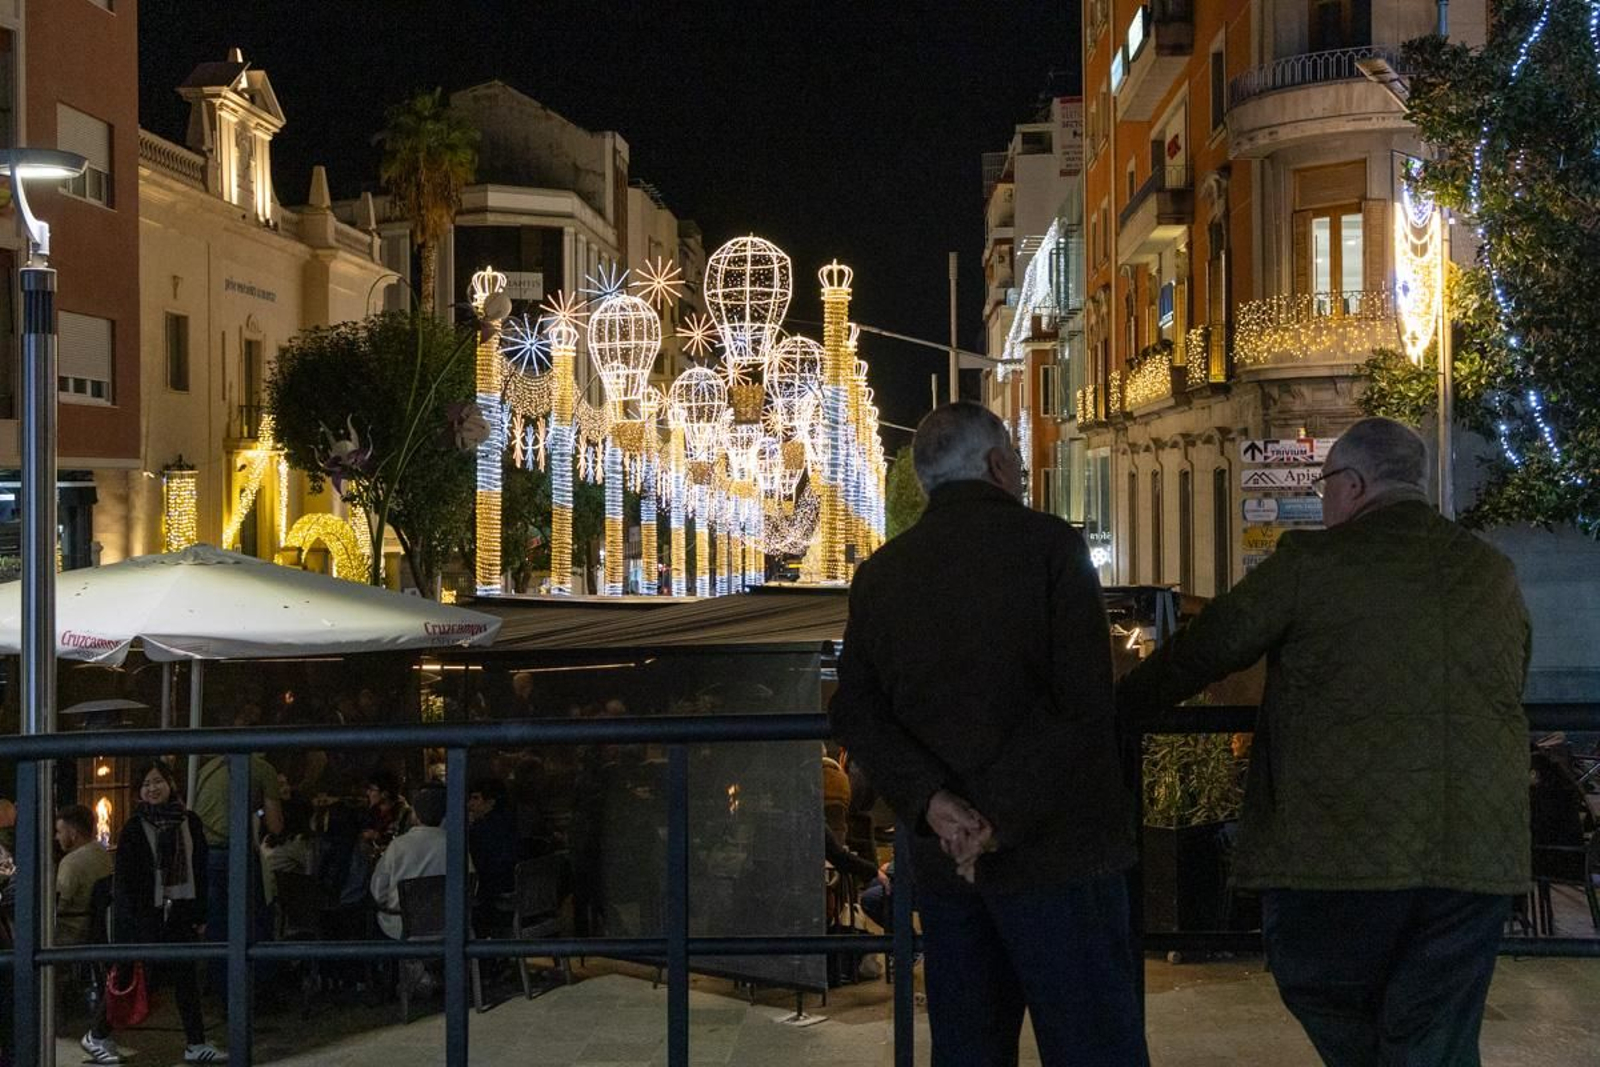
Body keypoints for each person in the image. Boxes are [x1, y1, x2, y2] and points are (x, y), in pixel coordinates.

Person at [1118, 417, 1532, 1067]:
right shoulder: (1492, 570)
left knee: (1322, 983)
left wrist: (1117, 709)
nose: (1322, 498)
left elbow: (1206, 648)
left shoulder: (1312, 563)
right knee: (1437, 1029)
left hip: (1342, 851)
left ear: (1355, 483)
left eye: (1325, 485)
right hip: (1478, 854)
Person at [829, 402, 1147, 1066]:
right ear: (999, 464)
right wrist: (992, 820)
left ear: (924, 484)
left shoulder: (883, 573)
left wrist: (939, 807)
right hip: (1062, 858)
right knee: (1094, 1045)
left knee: (969, 1048)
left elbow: (857, 710)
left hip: (948, 868)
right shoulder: (1053, 548)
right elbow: (1085, 703)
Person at [82, 760, 227, 1065]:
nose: (153, 788)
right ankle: (97, 1033)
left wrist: (200, 914)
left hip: (180, 911)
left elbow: (199, 869)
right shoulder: (135, 828)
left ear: (171, 783)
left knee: (185, 974)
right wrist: (131, 924)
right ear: (139, 792)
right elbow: (125, 882)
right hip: (145, 915)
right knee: (134, 976)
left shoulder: (190, 821)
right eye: (146, 784)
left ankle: (196, 1042)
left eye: (158, 781)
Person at [191, 701, 284, 998]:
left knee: (218, 923)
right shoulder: (262, 768)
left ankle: (218, 988)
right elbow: (277, 825)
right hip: (235, 854)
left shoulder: (208, 767)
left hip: (205, 854)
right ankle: (259, 989)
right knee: (256, 918)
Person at [370, 785, 468, 941]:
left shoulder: (398, 846)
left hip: (401, 928)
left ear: (415, 815)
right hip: (448, 928)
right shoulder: (457, 846)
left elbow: (378, 891)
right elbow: (469, 885)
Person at [466, 778, 520, 933]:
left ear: (491, 802)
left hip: (492, 898)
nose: (470, 804)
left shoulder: (482, 831)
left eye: (476, 798)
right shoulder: (510, 823)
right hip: (509, 893)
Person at [55, 804, 113, 946]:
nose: (56, 837)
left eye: (59, 832)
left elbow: (58, 906)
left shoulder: (71, 863)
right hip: (94, 932)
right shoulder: (102, 853)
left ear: (73, 833)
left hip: (69, 936)